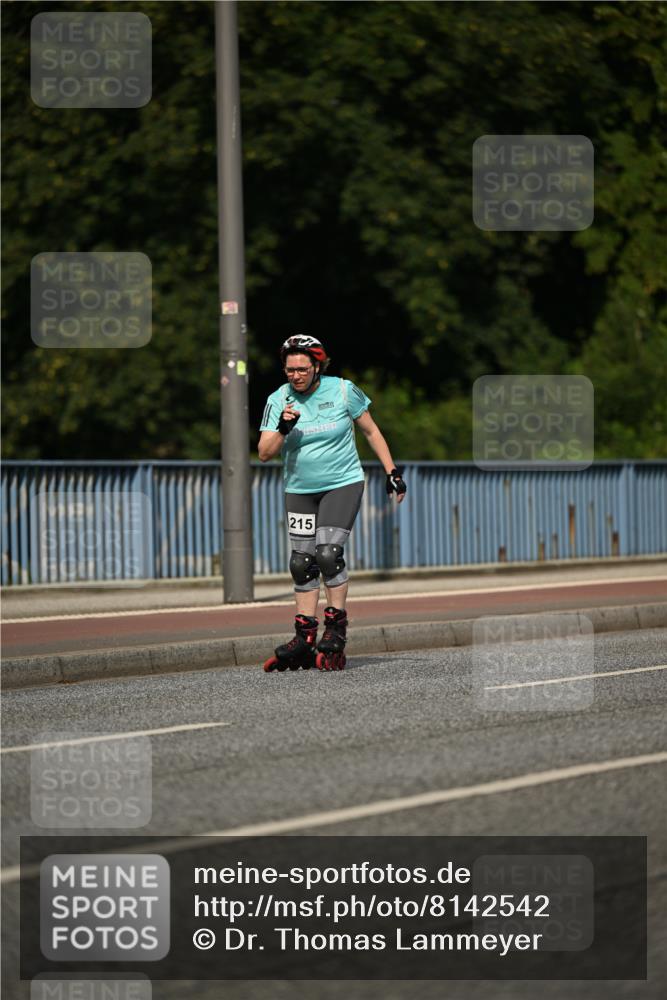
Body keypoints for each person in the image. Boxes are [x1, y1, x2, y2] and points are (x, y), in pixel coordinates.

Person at [258, 335, 406, 672]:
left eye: (302, 369)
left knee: (327, 554)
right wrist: (283, 427)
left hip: (342, 484)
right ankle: (304, 636)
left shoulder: (342, 390)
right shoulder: (278, 399)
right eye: (289, 369)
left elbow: (371, 431)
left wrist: (392, 472)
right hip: (299, 489)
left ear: (317, 367)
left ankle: (336, 629)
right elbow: (264, 453)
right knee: (301, 561)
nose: (295, 376)